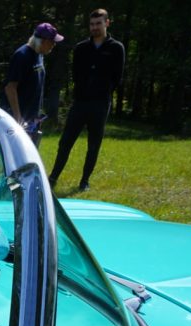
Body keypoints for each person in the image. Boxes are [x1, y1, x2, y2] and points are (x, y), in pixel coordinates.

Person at [48, 9, 125, 191]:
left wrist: (102, 91)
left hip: (100, 103)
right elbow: (75, 74)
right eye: (92, 24)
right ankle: (53, 177)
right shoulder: (81, 48)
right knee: (65, 142)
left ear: (107, 23)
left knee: (93, 144)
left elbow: (117, 77)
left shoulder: (116, 48)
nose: (95, 28)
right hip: (80, 102)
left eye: (98, 23)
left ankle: (84, 181)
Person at [2, 22, 63, 145]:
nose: (54, 45)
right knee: (17, 157)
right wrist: (17, 118)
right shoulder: (22, 55)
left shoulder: (39, 55)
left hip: (32, 119)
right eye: (52, 41)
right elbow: (10, 88)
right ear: (43, 40)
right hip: (19, 119)